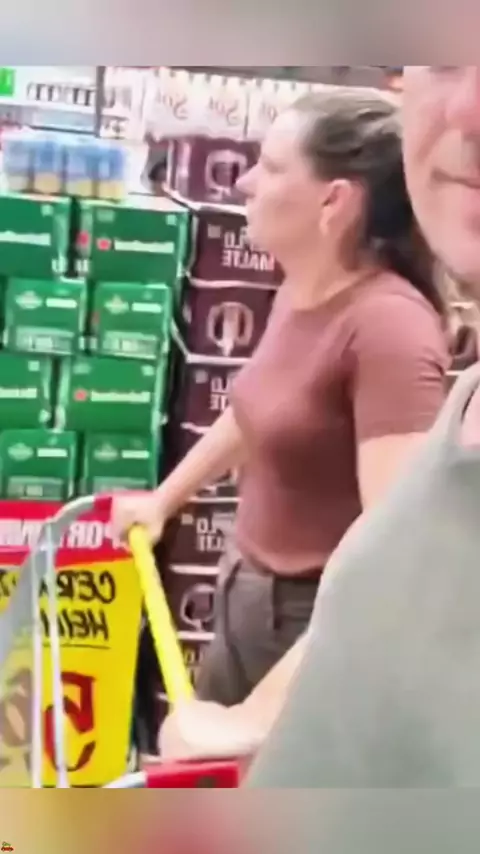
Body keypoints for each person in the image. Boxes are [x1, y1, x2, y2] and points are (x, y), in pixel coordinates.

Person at [112, 86, 448, 747]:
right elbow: (256, 409)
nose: (244, 182)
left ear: (334, 201)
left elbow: (395, 554)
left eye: (269, 167)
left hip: (317, 633)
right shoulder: (300, 287)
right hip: (246, 595)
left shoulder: (389, 330)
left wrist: (252, 721)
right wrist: (165, 498)